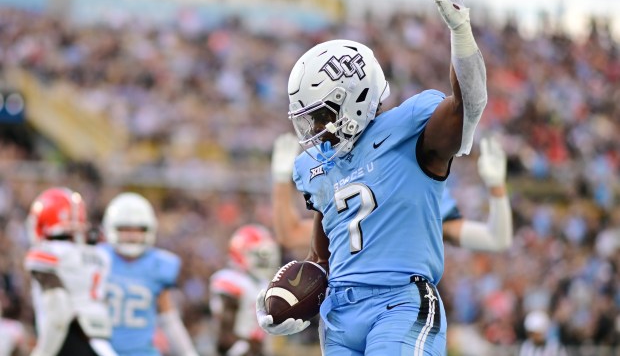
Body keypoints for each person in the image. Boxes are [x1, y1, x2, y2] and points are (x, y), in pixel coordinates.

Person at [257, 0, 488, 355]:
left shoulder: (409, 128)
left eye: (322, 115)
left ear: (355, 99)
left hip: (398, 302)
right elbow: (321, 255)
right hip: (339, 316)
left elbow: (470, 105)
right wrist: (292, 296)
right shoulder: (319, 167)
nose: (314, 130)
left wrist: (460, 33)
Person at [268, 133, 512, 253]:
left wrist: (496, 187)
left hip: (402, 305)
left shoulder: (417, 189)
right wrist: (280, 180)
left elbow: (495, 239)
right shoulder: (346, 184)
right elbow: (290, 235)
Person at [100, 192, 198, 356]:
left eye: (138, 230)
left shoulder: (159, 264)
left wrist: (188, 352)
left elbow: (168, 318)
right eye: (125, 229)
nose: (131, 236)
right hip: (101, 350)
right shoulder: (98, 259)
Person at [24, 187, 117, 356]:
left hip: (68, 340)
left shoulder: (48, 253)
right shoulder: (100, 255)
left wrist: (42, 353)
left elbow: (59, 313)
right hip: (102, 346)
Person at [209, 224, 281, 356]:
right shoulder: (231, 280)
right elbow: (225, 336)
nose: (264, 261)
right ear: (240, 252)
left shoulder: (264, 283)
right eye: (259, 255)